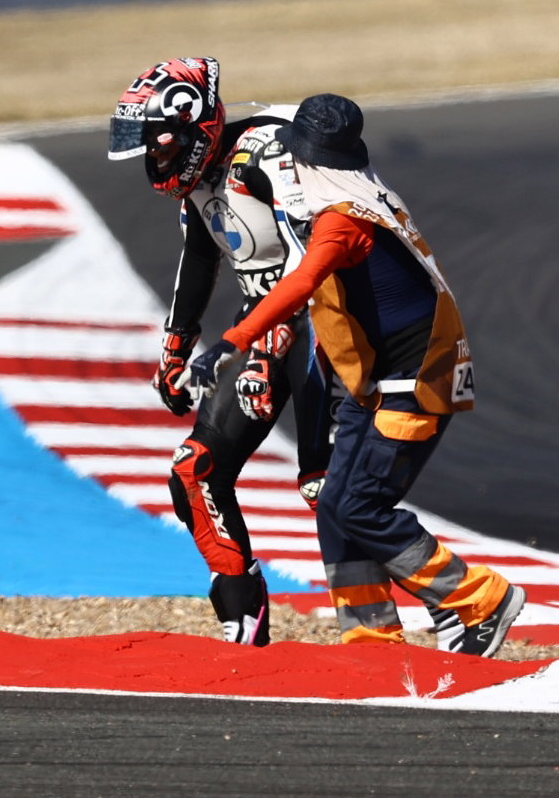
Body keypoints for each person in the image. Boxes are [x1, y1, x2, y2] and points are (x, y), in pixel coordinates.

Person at [193, 93, 526, 657]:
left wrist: (230, 340)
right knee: (334, 503)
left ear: (305, 161)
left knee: (359, 504)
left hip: (413, 382)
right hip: (367, 381)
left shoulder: (342, 219)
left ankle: (477, 598)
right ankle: (371, 633)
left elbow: (298, 285)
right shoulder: (364, 195)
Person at [106, 56, 334, 647]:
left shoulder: (265, 153)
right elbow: (201, 260)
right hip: (260, 327)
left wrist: (278, 335)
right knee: (193, 472)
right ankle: (244, 621)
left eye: (159, 148)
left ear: (195, 128)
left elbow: (319, 261)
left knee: (326, 487)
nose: (154, 164)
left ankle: (446, 605)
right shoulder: (197, 184)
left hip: (329, 323)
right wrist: (175, 346)